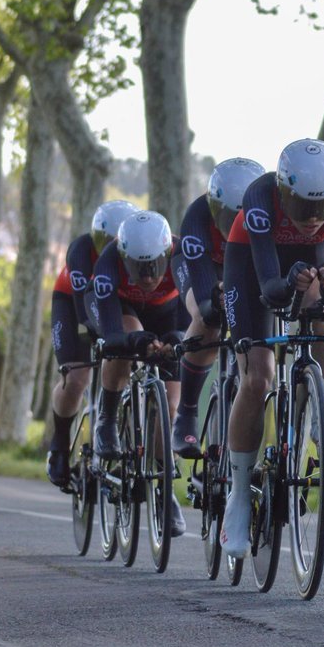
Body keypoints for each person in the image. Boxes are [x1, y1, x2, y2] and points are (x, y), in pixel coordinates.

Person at [218, 139, 324, 558]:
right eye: (301, 206)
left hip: (308, 261)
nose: (312, 218)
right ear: (283, 194)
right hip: (251, 265)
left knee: (321, 321)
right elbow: (269, 288)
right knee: (257, 375)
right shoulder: (260, 197)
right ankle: (239, 495)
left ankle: (323, 417)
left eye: (322, 207)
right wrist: (288, 282)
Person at [90, 210, 190, 537]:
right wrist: (133, 341)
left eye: (154, 266)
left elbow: (194, 309)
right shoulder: (108, 261)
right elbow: (110, 331)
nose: (147, 277)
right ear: (124, 257)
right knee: (122, 346)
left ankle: (164, 487)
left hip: (170, 313)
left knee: (170, 407)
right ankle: (107, 418)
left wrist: (178, 339)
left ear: (167, 254)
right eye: (139, 268)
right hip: (125, 310)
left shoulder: (182, 253)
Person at [171, 158, 266, 458]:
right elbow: (203, 293)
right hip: (203, 267)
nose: (235, 225)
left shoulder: (268, 210)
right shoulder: (197, 216)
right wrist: (213, 297)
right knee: (206, 318)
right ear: (214, 209)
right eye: (227, 217)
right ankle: (186, 412)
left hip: (246, 265)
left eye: (242, 218)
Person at [45, 199, 138, 489]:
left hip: (117, 301)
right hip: (75, 304)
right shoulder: (81, 251)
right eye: (104, 242)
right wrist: (109, 338)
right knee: (76, 377)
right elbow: (86, 312)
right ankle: (59, 444)